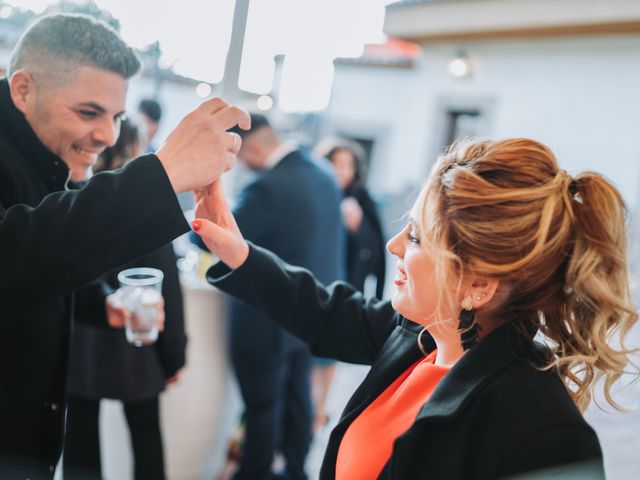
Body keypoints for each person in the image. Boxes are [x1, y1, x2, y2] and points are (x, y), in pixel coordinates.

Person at [193, 138, 636, 479]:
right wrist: (238, 252)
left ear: (477, 284)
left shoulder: (544, 431)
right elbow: (326, 313)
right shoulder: (416, 335)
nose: (394, 246)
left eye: (420, 238)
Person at [0, 14, 249, 479]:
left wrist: (101, 304)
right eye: (88, 112)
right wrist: (164, 173)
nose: (109, 136)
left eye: (116, 117)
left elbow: (46, 259)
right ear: (23, 90)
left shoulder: (48, 158)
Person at [194, 113, 344, 480]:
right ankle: (295, 469)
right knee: (297, 400)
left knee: (262, 406)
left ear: (256, 147)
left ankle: (254, 473)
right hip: (310, 310)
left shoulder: (267, 188)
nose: (241, 165)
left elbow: (211, 237)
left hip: (265, 318)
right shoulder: (323, 174)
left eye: (240, 156)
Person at [63, 119, 187, 480]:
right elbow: (169, 292)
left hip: (81, 347)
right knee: (146, 437)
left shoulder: (71, 199)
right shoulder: (145, 209)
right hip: (136, 344)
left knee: (80, 447)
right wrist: (174, 357)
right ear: (135, 149)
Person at [312, 138, 386, 431]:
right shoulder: (315, 196)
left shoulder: (361, 201)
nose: (341, 171)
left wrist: (357, 227)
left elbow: (376, 250)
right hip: (315, 284)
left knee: (330, 353)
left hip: (344, 289)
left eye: (347, 165)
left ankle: (318, 411)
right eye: (335, 163)